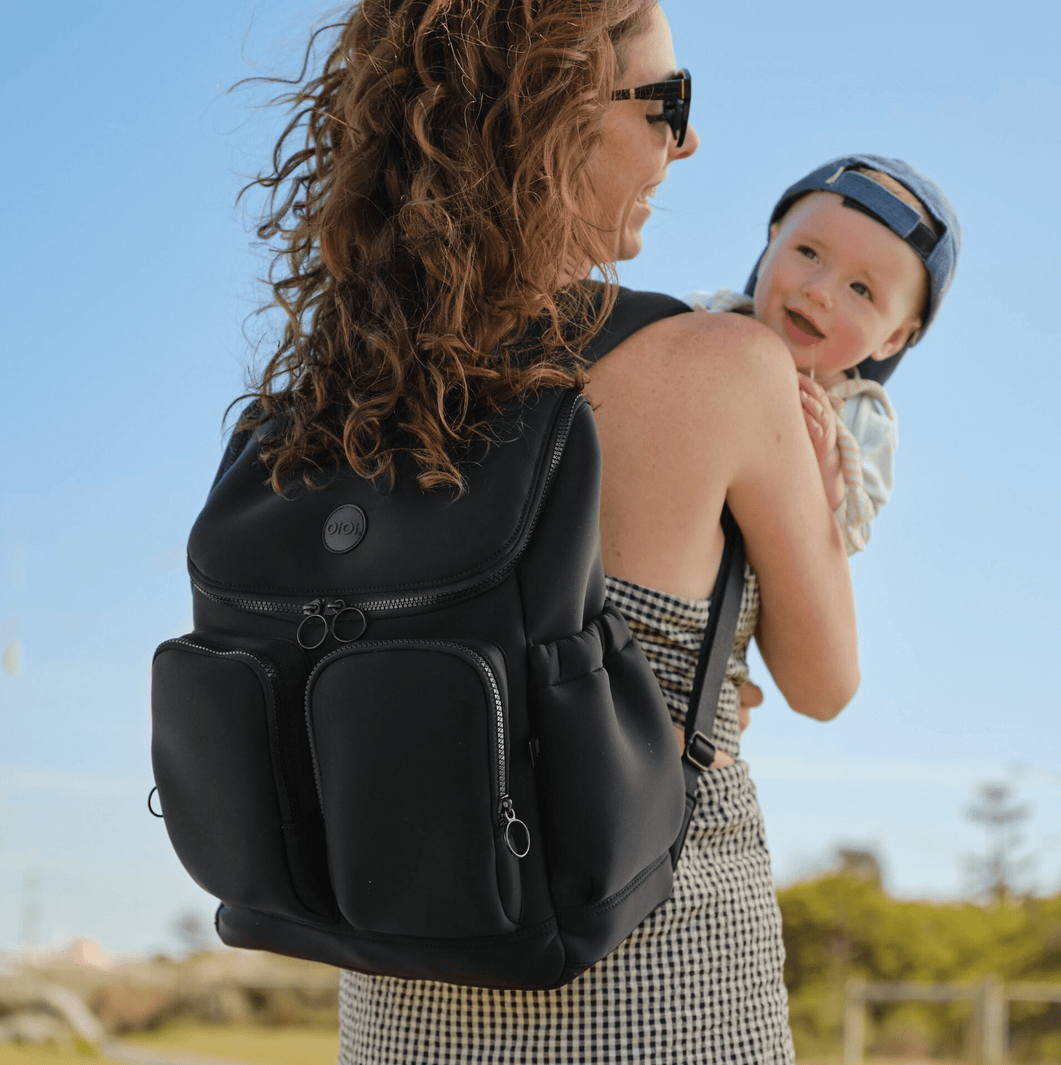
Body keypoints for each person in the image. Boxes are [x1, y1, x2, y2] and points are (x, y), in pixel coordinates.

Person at [237, 1, 858, 1060]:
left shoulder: (342, 397)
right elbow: (824, 681)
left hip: (402, 1002)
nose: (685, 142)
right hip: (665, 989)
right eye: (666, 103)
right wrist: (825, 500)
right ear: (551, 106)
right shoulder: (723, 366)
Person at [687, 156, 961, 555]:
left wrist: (828, 470)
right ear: (770, 248)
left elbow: (847, 540)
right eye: (809, 253)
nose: (819, 291)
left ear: (892, 339)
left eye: (860, 289)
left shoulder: (861, 419)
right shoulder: (705, 317)